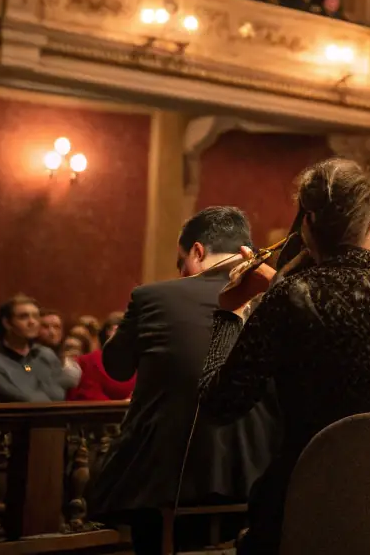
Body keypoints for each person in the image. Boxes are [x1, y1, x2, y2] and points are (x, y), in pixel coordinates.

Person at [200, 159, 370, 555]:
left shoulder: (292, 297)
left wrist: (229, 315)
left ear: (306, 226)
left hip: (315, 514)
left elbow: (218, 403)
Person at [88, 207, 277, 555]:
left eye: (182, 262)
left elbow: (116, 367)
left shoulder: (152, 297)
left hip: (165, 477)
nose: (181, 273)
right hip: (257, 474)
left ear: (198, 251)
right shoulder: (277, 297)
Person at [0, 295, 70, 402]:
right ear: (7, 323)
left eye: (36, 317)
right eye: (24, 317)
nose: (32, 322)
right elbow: (23, 399)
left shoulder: (46, 355)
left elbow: (60, 394)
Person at [67, 313, 133, 401]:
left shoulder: (138, 361)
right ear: (107, 333)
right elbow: (91, 395)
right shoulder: (91, 360)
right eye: (117, 330)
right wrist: (122, 404)